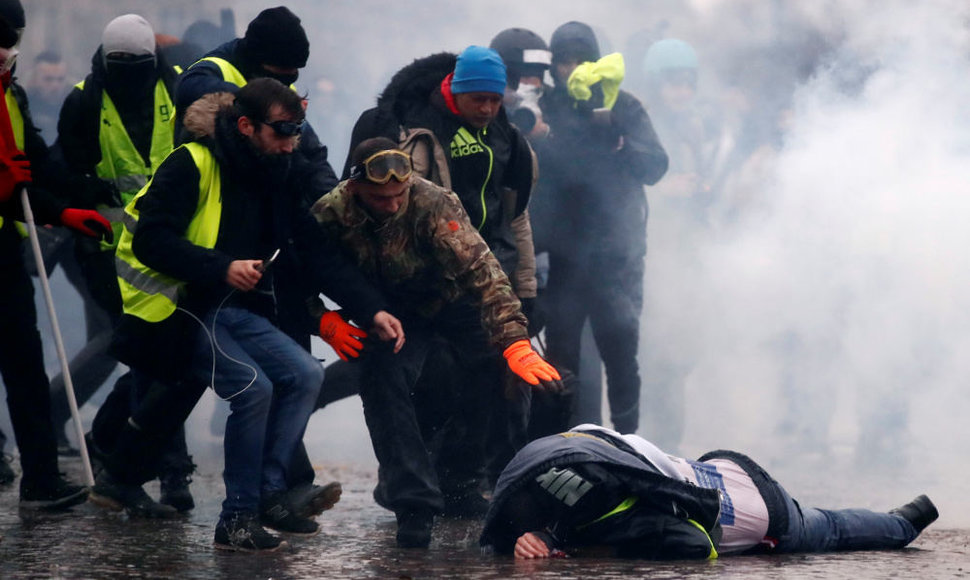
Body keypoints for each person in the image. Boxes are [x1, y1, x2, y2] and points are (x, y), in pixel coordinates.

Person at [94, 78, 403, 552]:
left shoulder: (277, 169)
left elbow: (315, 252)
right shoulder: (191, 163)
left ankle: (269, 496)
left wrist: (372, 309)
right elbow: (150, 241)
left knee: (303, 374)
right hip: (177, 308)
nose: (292, 143)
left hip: (233, 309)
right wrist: (222, 267)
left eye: (297, 131)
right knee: (251, 387)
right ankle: (236, 518)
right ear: (246, 125)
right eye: (282, 131)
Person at [311, 137, 560, 548]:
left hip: (453, 301)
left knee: (506, 372)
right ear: (356, 188)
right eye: (381, 197)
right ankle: (412, 505)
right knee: (383, 382)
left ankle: (503, 489)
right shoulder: (330, 212)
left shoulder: (432, 202)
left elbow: (484, 272)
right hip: (387, 312)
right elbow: (294, 274)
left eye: (399, 194)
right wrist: (321, 319)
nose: (392, 204)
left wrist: (515, 340)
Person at [344, 45, 540, 495]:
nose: (488, 109)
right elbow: (374, 205)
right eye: (479, 100)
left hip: (479, 276)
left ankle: (463, 479)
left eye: (496, 100)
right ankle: (405, 480)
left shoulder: (505, 136)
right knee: (420, 381)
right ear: (455, 90)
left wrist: (524, 287)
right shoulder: (416, 129)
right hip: (416, 280)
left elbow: (515, 215)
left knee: (492, 375)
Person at [55, 13, 197, 510]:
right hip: (110, 255)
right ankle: (158, 472)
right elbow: (66, 172)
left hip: (169, 249)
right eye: (124, 65)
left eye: (141, 64)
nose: (133, 74)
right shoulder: (83, 101)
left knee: (163, 360)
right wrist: (87, 192)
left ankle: (140, 461)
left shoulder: (176, 90)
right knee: (149, 360)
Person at [480, 424, 939, 559]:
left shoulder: (618, 512)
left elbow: (695, 546)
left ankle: (903, 522)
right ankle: (902, 517)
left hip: (759, 513)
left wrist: (579, 547)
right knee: (825, 518)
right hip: (720, 469)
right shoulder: (586, 441)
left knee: (827, 529)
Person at [0, 0, 112, 509]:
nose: (8, 52)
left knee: (23, 361)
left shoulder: (12, 96)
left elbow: (38, 168)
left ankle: (40, 478)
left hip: (5, 247)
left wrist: (79, 200)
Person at [533, 21, 669, 434]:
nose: (571, 70)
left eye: (580, 61)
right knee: (561, 359)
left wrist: (620, 139)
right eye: (563, 62)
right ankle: (562, 444)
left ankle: (629, 444)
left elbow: (656, 166)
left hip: (617, 255)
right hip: (563, 257)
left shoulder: (623, 106)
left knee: (621, 353)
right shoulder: (546, 110)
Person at [21, 50, 67, 145]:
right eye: (48, 79)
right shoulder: (23, 107)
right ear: (34, 79)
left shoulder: (74, 106)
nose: (55, 85)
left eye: (60, 79)